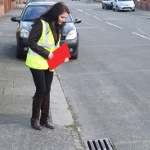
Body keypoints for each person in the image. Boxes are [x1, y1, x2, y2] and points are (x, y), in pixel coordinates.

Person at [26, 2, 70, 131]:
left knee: (47, 90)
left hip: (49, 63)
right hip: (37, 62)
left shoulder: (57, 26)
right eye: (62, 17)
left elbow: (53, 46)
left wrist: (62, 56)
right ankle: (34, 119)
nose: (63, 20)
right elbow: (30, 41)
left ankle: (44, 119)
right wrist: (47, 54)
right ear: (56, 14)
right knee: (41, 90)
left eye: (65, 18)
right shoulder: (41, 23)